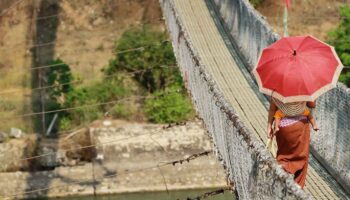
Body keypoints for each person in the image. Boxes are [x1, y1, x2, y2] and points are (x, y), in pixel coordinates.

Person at [267, 98, 316, 188]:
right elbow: (312, 105)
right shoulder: (303, 84)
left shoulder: (277, 86)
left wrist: (269, 126)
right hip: (300, 125)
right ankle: (298, 188)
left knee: (283, 156)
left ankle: (279, 179)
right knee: (302, 157)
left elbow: (272, 109)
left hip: (282, 127)